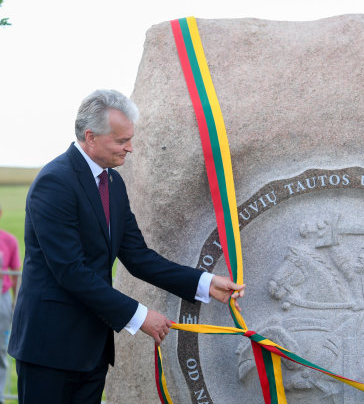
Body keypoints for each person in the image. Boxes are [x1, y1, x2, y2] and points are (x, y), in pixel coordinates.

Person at [8, 89, 245, 404]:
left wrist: (204, 283)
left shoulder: (113, 183)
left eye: (130, 139)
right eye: (121, 141)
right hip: (50, 349)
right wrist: (140, 315)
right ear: (90, 137)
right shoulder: (55, 182)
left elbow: (138, 257)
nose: (130, 148)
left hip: (92, 350)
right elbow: (71, 271)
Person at [0, 203, 20, 404]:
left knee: (0, 351)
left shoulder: (8, 241)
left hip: (2, 301)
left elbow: (15, 276)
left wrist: (14, 303)